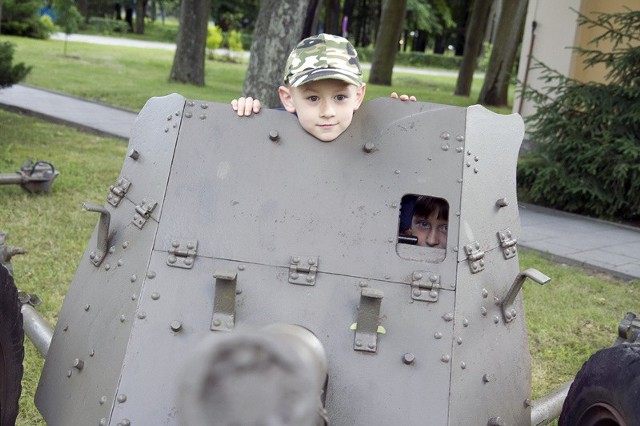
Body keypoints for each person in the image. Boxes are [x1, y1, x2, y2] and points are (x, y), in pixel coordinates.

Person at [231, 33, 416, 142]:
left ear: (358, 96)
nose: (328, 112)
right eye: (313, 98)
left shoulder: (374, 134)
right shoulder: (271, 134)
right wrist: (245, 120)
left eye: (340, 97)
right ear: (288, 99)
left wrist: (405, 127)